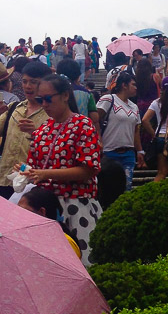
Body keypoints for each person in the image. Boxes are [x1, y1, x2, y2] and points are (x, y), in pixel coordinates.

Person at [16, 73, 102, 266]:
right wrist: (25, 171)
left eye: (48, 99)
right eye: (40, 99)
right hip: (45, 208)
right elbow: (36, 168)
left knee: (83, 263)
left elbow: (89, 170)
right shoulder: (43, 129)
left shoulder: (83, 125)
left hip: (76, 206)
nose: (44, 104)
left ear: (65, 96)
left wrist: (45, 174)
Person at [0, 60, 50, 199]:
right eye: (24, 81)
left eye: (33, 82)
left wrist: (36, 133)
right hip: (4, 180)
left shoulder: (51, 113)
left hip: (31, 184)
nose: (27, 86)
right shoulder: (14, 108)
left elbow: (57, 148)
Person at [97, 72, 145, 191]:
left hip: (128, 153)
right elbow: (95, 120)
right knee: (109, 189)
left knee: (127, 187)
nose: (136, 88)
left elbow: (135, 131)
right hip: (109, 152)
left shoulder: (134, 107)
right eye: (133, 84)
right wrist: (98, 140)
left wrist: (140, 151)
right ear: (124, 85)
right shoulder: (109, 100)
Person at [18, 186, 82, 259]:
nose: (19, 215)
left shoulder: (66, 244)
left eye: (23, 211)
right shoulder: (24, 238)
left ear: (42, 212)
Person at [57, 58, 100, 134]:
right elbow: (95, 117)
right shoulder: (86, 93)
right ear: (78, 76)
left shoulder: (52, 92)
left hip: (57, 133)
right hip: (81, 133)